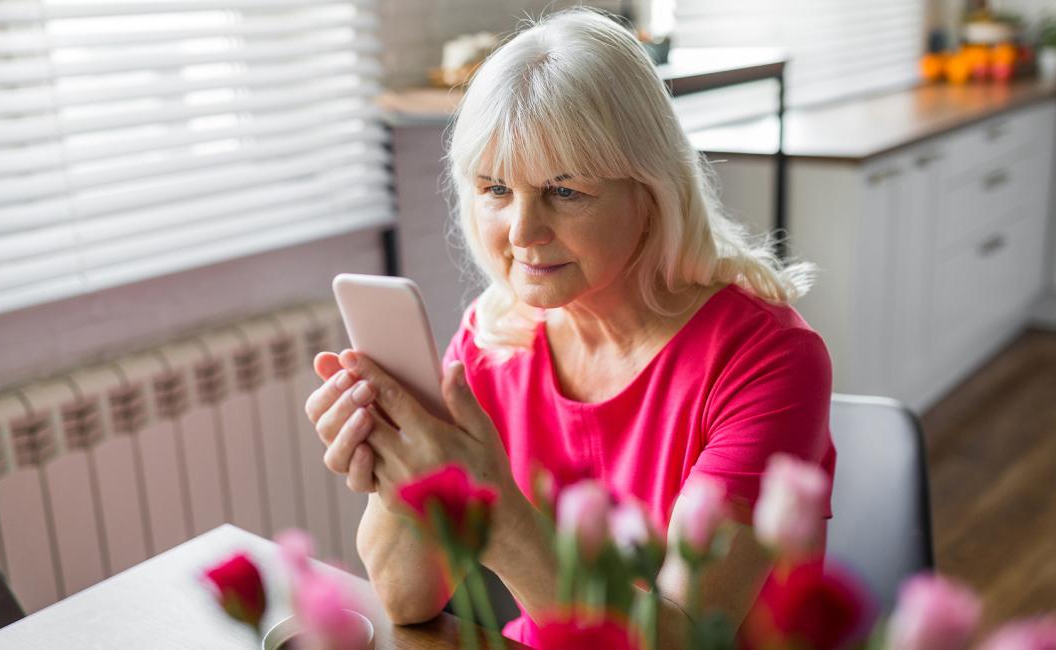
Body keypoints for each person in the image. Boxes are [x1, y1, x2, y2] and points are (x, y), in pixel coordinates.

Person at [303, 8, 835, 647]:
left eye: (565, 191)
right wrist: (403, 467)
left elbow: (685, 639)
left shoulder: (767, 359)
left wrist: (498, 515)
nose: (522, 233)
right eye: (495, 189)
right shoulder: (492, 343)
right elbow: (407, 599)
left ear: (651, 193)